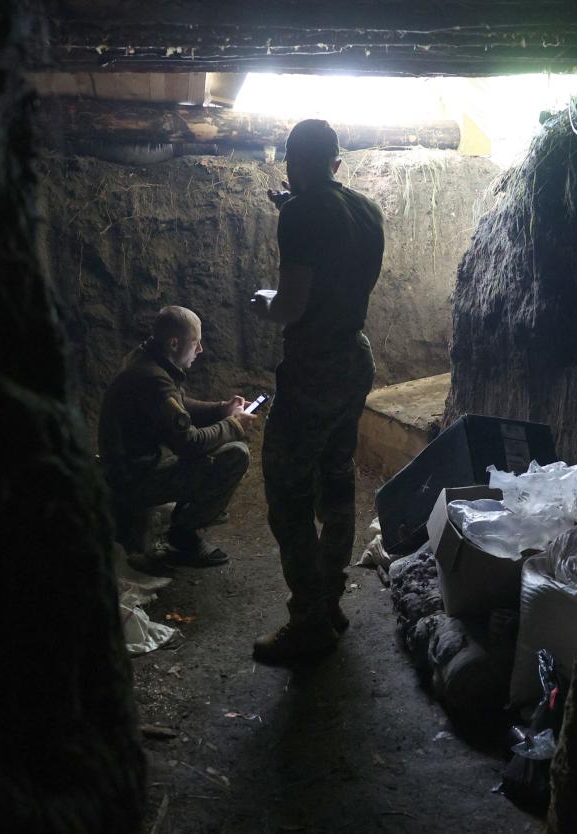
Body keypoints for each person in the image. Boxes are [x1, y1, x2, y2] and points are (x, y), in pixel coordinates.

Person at [249, 119, 385, 663]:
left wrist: (265, 304)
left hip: (315, 366)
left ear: (291, 160)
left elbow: (292, 305)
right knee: (336, 482)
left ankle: (306, 621)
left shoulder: (302, 214)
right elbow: (338, 257)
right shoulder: (365, 209)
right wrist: (296, 207)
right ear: (336, 161)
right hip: (354, 355)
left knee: (287, 490)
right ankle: (329, 603)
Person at [98, 305, 256, 566]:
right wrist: (233, 424)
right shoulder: (153, 379)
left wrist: (222, 409)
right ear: (174, 343)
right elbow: (189, 443)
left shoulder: (146, 359)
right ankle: (183, 537)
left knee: (220, 445)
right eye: (195, 342)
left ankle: (189, 514)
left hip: (127, 467)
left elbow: (178, 404)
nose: (201, 349)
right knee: (235, 454)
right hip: (134, 478)